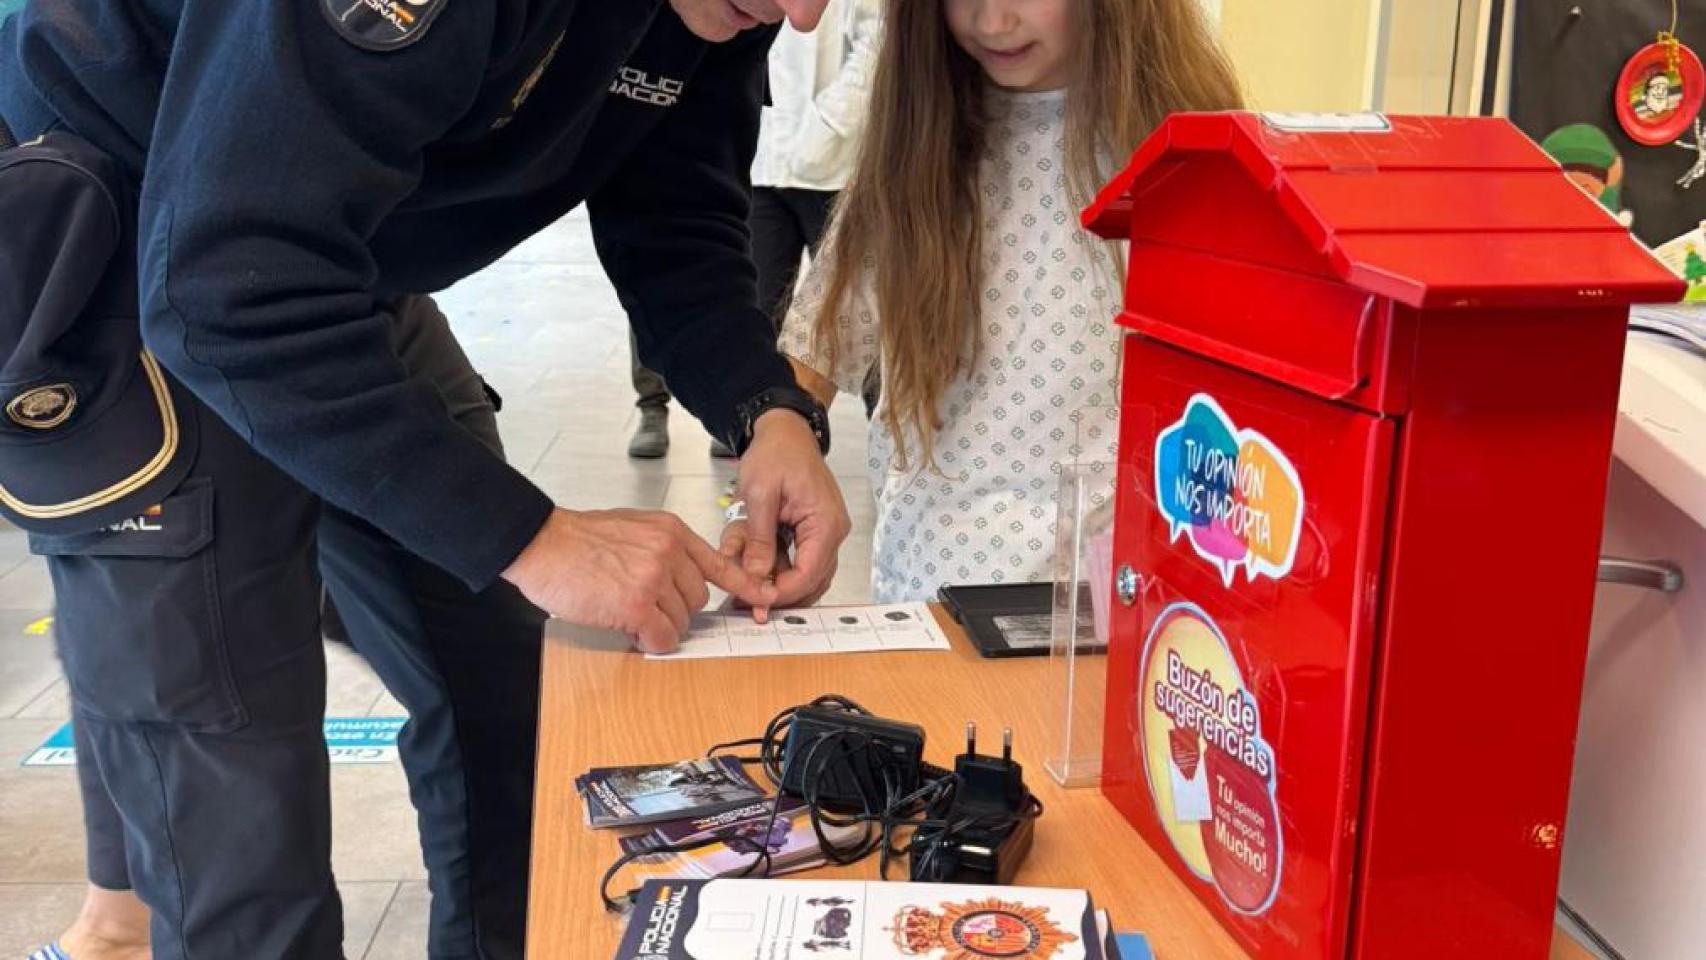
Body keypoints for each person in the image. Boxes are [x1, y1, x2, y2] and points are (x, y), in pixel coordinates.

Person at [0, 3, 850, 960]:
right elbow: (223, 292)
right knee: (236, 821)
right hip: (134, 242)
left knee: (501, 692)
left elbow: (675, 209)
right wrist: (536, 536)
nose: (804, 10)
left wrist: (764, 411)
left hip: (334, 266)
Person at [736, 0, 1240, 602]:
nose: (993, 22)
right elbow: (820, 342)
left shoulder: (1190, 154)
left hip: (1117, 605)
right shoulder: (919, 151)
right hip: (931, 592)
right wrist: (778, 451)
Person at [629, 0, 879, 460]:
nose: (801, 16)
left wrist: (763, 409)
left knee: (855, 310)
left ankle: (874, 420)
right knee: (761, 298)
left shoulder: (745, 28)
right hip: (766, 165)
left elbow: (674, 228)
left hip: (831, 167)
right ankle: (669, 407)